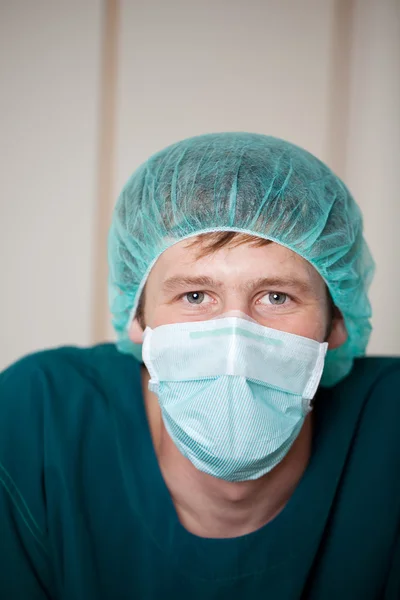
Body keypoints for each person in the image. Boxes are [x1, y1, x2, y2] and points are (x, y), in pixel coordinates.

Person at [0, 132, 399, 600]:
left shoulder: (389, 428)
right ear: (138, 317)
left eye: (277, 296)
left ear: (336, 323)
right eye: (195, 296)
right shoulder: (39, 418)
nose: (235, 343)